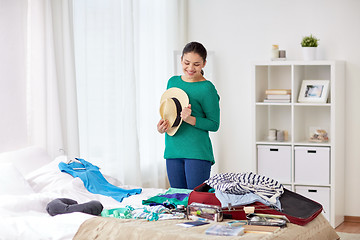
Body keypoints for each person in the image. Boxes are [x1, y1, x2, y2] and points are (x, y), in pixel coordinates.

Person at [157, 41, 220, 190]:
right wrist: (161, 127)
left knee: (196, 203)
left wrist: (190, 119)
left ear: (204, 63)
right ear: (181, 60)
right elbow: (169, 113)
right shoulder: (172, 82)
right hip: (172, 150)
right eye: (187, 62)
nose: (190, 68)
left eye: (196, 64)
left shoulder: (207, 88)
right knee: (178, 202)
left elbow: (214, 124)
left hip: (197, 153)